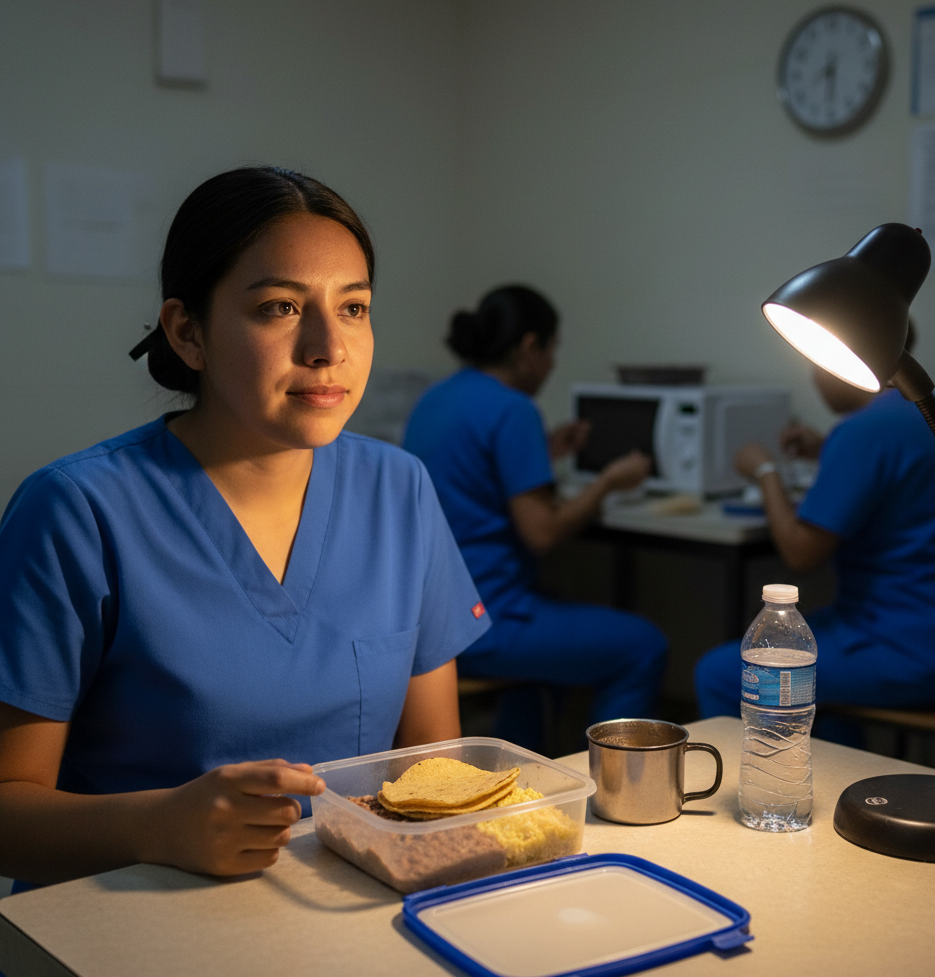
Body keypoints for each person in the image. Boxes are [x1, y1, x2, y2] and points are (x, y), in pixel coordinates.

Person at [0, 167, 490, 890]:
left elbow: (432, 770)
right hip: (127, 919)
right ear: (188, 332)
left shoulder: (398, 488)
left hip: (342, 901)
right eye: (280, 307)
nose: (328, 346)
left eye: (353, 307)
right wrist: (155, 826)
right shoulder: (75, 510)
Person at [402, 285, 667, 743]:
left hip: (428, 619)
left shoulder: (437, 397)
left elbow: (470, 474)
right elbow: (542, 533)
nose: (551, 365)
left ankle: (524, 765)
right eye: (552, 350)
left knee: (555, 637)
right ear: (529, 347)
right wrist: (608, 482)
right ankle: (609, 778)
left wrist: (543, 450)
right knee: (643, 645)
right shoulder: (514, 408)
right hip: (485, 624)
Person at [695, 323, 935, 719]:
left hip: (901, 646)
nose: (816, 376)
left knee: (718, 674)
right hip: (917, 629)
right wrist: (827, 450)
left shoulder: (862, 431)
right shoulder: (917, 411)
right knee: (808, 679)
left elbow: (799, 554)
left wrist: (765, 471)